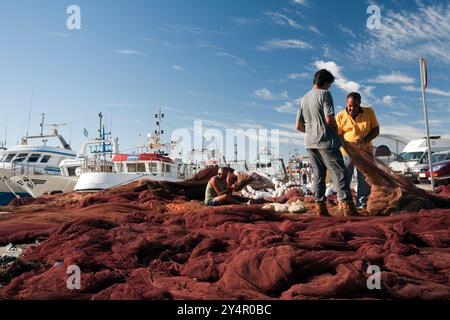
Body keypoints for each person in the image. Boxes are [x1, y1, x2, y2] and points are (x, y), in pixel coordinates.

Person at [296, 69, 357, 217]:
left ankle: (320, 208)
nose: (330, 88)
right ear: (325, 82)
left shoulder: (303, 99)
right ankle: (347, 207)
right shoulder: (325, 94)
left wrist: (312, 132)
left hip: (310, 143)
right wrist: (336, 131)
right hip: (326, 141)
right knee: (339, 172)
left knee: (318, 174)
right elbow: (330, 119)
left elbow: (298, 125)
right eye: (329, 84)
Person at [336, 92, 380, 209]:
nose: (352, 108)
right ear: (346, 103)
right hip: (347, 153)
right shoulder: (340, 116)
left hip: (365, 153)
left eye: (355, 105)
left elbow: (376, 130)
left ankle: (362, 204)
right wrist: (346, 144)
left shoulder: (369, 112)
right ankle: (345, 203)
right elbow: (337, 134)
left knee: (365, 179)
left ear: (360, 104)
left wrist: (365, 140)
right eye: (350, 105)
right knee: (345, 178)